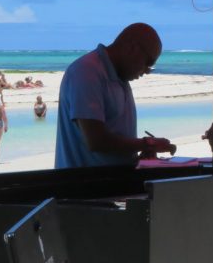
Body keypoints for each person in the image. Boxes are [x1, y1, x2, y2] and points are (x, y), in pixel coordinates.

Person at [56, 23, 176, 169]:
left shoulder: (121, 78)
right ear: (132, 48)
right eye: (148, 63)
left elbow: (114, 144)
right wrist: (148, 143)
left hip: (112, 184)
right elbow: (97, 141)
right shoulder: (87, 72)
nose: (147, 71)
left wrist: (138, 156)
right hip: (83, 187)